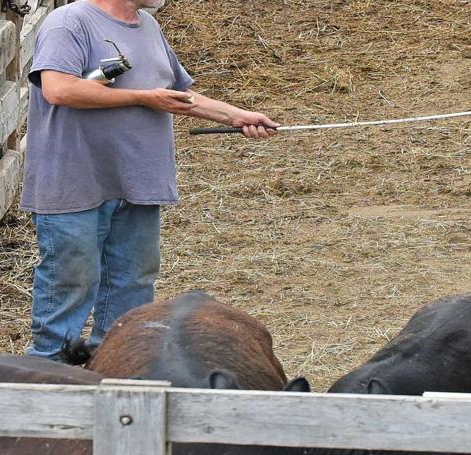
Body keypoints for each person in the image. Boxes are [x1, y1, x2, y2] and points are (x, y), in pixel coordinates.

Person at [21, 0, 279, 360]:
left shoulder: (147, 27)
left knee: (134, 282)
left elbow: (176, 93)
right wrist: (143, 98)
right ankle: (48, 372)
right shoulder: (70, 21)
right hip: (74, 182)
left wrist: (236, 116)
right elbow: (58, 89)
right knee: (71, 282)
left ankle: (117, 364)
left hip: (137, 182)